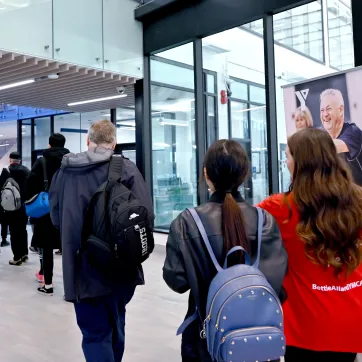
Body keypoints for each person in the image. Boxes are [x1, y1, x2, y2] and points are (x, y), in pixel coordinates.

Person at [163, 140, 288, 362]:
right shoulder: (264, 221)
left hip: (206, 340)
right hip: (259, 339)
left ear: (206, 174)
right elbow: (278, 284)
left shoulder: (187, 222)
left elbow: (177, 281)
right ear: (245, 174)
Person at [49, 120, 154, 361]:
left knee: (95, 334)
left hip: (81, 268)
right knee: (117, 323)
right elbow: (147, 215)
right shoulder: (126, 170)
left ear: (88, 141)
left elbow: (56, 218)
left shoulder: (63, 173)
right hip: (121, 265)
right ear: (113, 142)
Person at [258, 128, 362, 362]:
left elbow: (243, 222)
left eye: (287, 156)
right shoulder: (358, 200)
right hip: (352, 318)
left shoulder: (279, 207)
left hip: (305, 326)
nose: (285, 162)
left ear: (300, 163)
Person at [25, 133, 69, 295]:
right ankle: (72, 288)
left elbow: (29, 184)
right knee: (70, 249)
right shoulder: (71, 162)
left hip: (46, 211)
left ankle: (48, 285)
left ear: (49, 145)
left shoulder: (41, 161)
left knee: (46, 248)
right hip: (67, 210)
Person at [320, 88, 362, 185]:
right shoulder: (323, 136)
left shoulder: (353, 132)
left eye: (329, 109)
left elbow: (333, 146)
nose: (325, 114)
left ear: (341, 109)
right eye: (322, 110)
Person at [0, 152, 30, 265]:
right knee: (22, 230)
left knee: (13, 231)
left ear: (10, 160)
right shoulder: (26, 171)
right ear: (20, 160)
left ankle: (17, 257)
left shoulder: (6, 171)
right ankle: (24, 254)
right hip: (23, 206)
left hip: (11, 207)